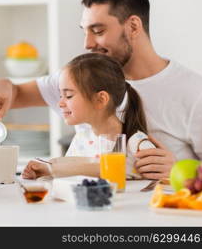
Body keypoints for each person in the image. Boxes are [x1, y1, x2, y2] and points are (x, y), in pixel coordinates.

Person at [0, 0, 202, 180]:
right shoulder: (80, 79)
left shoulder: (194, 92)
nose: (87, 44)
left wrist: (181, 169)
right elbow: (15, 95)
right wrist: (4, 84)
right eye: (84, 31)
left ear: (133, 26)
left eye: (97, 31)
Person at [22, 53, 152, 179]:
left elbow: (121, 169)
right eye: (61, 96)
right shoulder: (81, 139)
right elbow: (66, 175)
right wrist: (44, 173)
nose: (60, 103)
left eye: (68, 96)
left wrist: (52, 169)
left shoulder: (136, 143)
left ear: (101, 99)